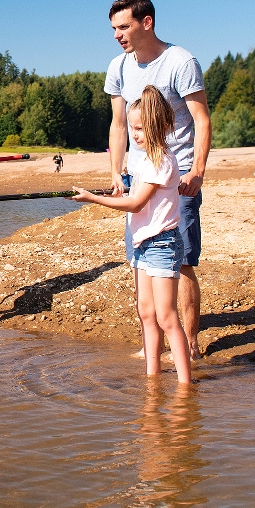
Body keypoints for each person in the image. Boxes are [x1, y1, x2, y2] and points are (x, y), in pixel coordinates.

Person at [104, 0, 212, 358]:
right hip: (139, 179)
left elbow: (201, 119)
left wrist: (197, 171)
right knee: (140, 258)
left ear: (146, 22)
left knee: (181, 261)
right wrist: (116, 172)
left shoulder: (180, 62)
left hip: (178, 178)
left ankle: (190, 345)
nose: (117, 35)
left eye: (123, 27)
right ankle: (152, 345)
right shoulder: (118, 67)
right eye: (114, 28)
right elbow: (119, 124)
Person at [72, 89, 193, 382]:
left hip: (162, 243)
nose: (134, 135)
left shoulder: (161, 160)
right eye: (132, 128)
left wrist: (93, 199)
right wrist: (120, 192)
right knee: (146, 313)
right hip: (142, 243)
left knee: (166, 316)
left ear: (158, 126)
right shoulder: (145, 162)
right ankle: (153, 377)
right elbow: (140, 198)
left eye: (139, 128)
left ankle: (185, 384)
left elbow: (137, 204)